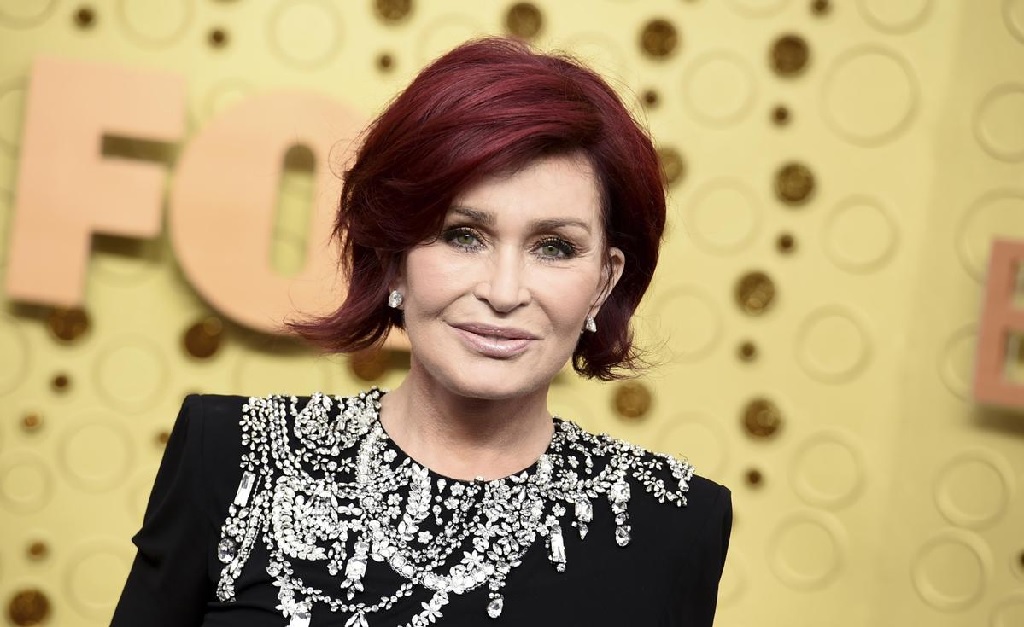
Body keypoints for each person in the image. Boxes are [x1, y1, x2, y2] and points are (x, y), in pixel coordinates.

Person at [111, 37, 731, 627]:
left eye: (554, 247)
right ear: (393, 255)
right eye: (464, 236)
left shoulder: (676, 525)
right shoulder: (230, 455)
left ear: (603, 281)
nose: (504, 292)